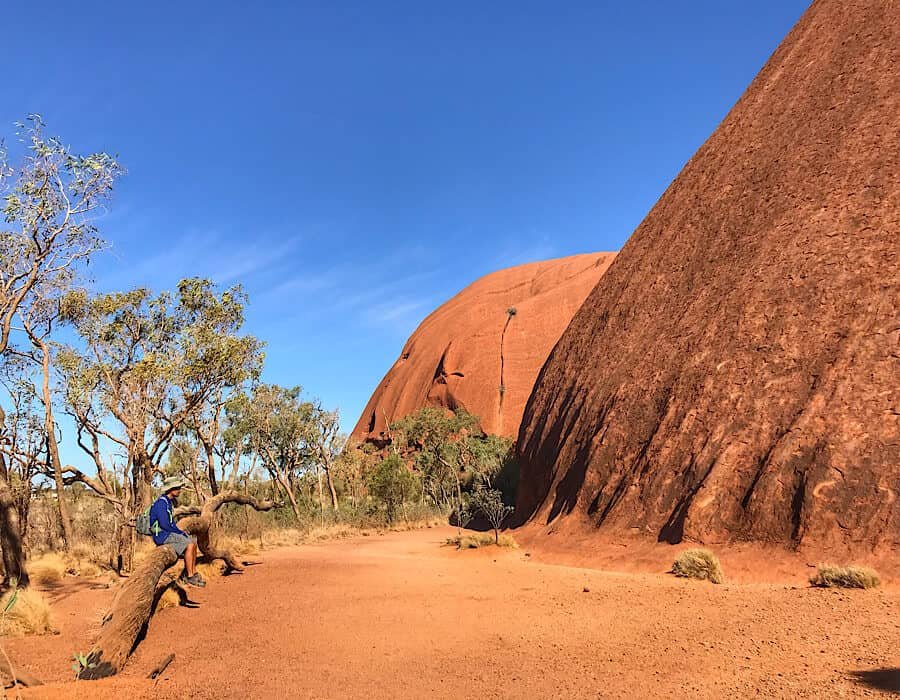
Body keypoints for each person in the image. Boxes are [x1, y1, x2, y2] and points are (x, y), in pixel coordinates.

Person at [149, 476, 206, 587]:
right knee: (189, 545)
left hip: (166, 533)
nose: (180, 490)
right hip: (161, 535)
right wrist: (179, 533)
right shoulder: (161, 503)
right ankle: (189, 576)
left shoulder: (168, 502)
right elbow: (165, 524)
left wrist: (179, 532)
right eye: (177, 488)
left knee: (193, 542)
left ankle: (193, 572)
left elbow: (170, 523)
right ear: (171, 489)